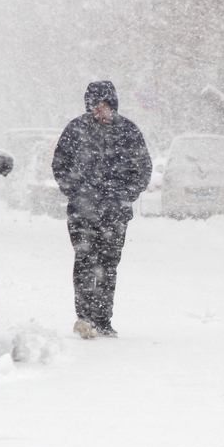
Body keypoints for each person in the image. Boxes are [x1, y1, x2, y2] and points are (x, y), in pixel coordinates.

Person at [52, 81, 153, 339]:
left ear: (114, 105)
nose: (101, 110)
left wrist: (126, 195)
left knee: (108, 266)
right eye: (96, 106)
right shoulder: (76, 130)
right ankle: (84, 318)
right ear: (89, 107)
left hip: (115, 215)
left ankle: (103, 320)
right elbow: (60, 164)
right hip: (82, 213)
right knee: (85, 262)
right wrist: (75, 191)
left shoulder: (128, 132)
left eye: (106, 105)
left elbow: (143, 169)